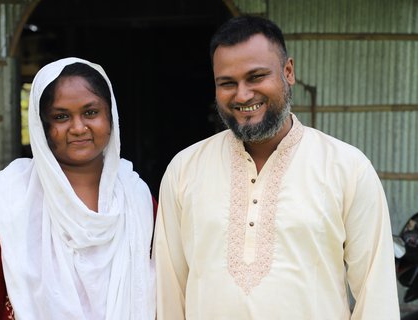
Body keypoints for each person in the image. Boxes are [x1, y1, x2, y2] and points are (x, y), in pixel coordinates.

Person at [154, 15, 399, 319]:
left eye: (256, 77)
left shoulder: (347, 169)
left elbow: (376, 296)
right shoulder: (184, 170)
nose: (242, 95)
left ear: (288, 71)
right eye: (227, 83)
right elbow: (169, 292)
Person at [0, 57, 156, 319]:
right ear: (43, 127)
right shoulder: (7, 200)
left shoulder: (137, 198)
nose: (78, 127)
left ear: (111, 115)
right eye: (61, 117)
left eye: (91, 112)